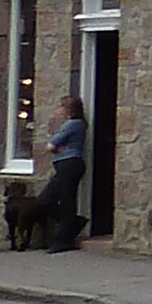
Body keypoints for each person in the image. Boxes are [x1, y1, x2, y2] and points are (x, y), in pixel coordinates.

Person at [38, 96, 90, 251]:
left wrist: (54, 147)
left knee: (63, 201)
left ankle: (64, 239)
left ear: (69, 109)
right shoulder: (74, 124)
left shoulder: (73, 123)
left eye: (62, 107)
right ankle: (73, 223)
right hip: (65, 165)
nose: (59, 110)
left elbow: (50, 145)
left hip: (69, 164)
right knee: (48, 200)